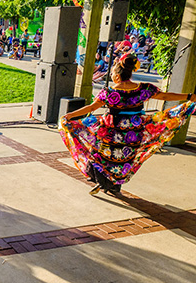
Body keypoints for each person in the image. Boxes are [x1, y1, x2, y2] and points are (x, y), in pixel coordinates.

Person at [61, 53, 196, 196]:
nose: (111, 75)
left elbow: (91, 108)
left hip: (111, 132)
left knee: (100, 156)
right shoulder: (144, 89)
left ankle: (104, 183)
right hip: (134, 133)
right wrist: (188, 97)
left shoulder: (109, 92)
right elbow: (164, 96)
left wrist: (70, 115)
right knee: (123, 159)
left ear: (117, 75)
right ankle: (113, 185)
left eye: (112, 72)